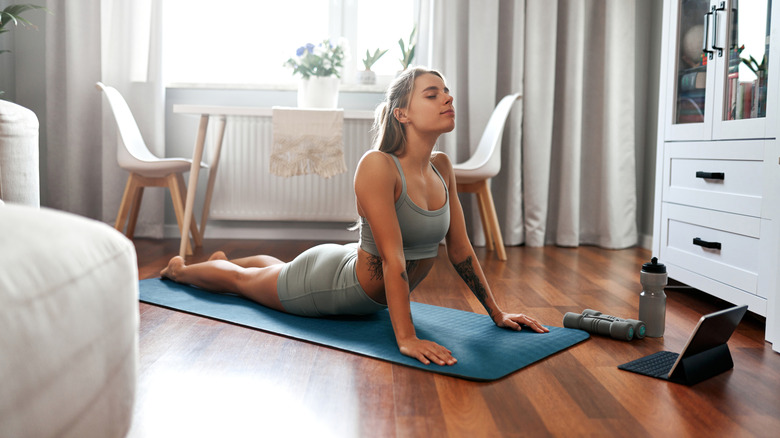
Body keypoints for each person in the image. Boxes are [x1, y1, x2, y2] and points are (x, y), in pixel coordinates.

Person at [161, 67, 549, 366]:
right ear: (403, 114)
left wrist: (496, 313)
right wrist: (406, 338)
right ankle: (179, 271)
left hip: (344, 263)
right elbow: (394, 260)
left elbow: (460, 249)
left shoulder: (441, 165)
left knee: (273, 271)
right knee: (244, 283)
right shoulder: (378, 166)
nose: (447, 98)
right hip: (331, 285)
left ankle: (224, 262)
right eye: (432, 94)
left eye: (446, 91)